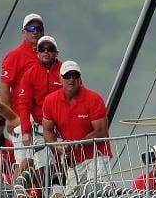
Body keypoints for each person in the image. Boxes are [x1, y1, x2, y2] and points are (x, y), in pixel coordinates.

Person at [42, 60, 112, 189]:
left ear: (80, 79)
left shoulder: (93, 98)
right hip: (74, 160)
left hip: (97, 156)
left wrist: (74, 144)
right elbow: (47, 130)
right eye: (67, 76)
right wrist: (57, 146)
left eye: (75, 76)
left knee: (98, 194)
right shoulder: (50, 101)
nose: (71, 79)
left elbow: (101, 131)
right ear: (60, 79)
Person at [11, 34, 63, 173]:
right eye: (42, 49)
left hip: (63, 127)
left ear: (56, 53)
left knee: (67, 163)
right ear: (37, 53)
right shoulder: (30, 74)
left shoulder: (65, 71)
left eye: (50, 49)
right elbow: (24, 105)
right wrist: (26, 131)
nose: (46, 52)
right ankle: (48, 192)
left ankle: (64, 190)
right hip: (40, 128)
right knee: (43, 167)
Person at [0, 12, 44, 116]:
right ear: (23, 32)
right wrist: (11, 118)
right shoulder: (14, 55)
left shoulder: (48, 54)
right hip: (22, 117)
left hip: (45, 118)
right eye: (31, 28)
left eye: (39, 28)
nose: (35, 31)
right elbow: (4, 87)